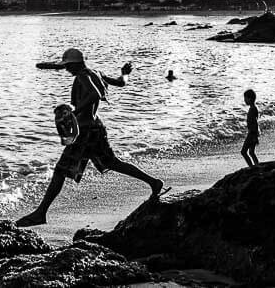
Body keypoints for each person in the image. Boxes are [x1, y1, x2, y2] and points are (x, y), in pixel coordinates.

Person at [17, 48, 168, 228]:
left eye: (68, 66)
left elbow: (95, 94)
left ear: (75, 64)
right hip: (97, 128)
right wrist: (124, 73)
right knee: (113, 162)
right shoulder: (96, 73)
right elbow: (121, 83)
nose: (67, 70)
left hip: (85, 131)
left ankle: (40, 213)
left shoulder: (81, 75)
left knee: (60, 171)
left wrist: (74, 112)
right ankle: (154, 182)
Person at [241, 89, 260, 167]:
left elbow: (255, 123)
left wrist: (254, 136)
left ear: (250, 99)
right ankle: (257, 166)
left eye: (245, 98)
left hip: (252, 134)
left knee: (243, 152)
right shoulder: (253, 108)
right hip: (254, 133)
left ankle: (252, 167)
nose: (244, 100)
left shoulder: (252, 109)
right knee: (251, 152)